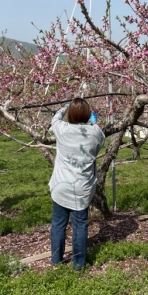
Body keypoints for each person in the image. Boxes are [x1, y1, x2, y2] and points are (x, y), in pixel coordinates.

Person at [49, 98, 105, 270]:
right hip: (82, 189)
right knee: (80, 226)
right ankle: (78, 265)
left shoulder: (62, 129)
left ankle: (56, 261)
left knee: (58, 225)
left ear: (70, 114)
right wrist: (94, 123)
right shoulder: (94, 132)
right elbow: (100, 142)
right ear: (88, 115)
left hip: (61, 186)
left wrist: (63, 108)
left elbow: (54, 120)